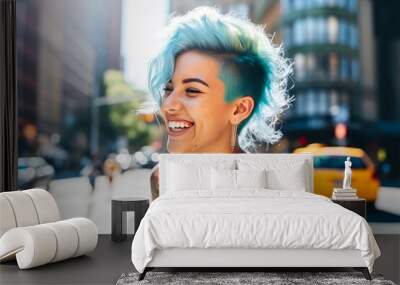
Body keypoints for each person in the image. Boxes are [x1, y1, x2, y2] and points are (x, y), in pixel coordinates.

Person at [147, 7, 292, 201]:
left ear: (240, 109)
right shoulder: (162, 177)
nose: (168, 106)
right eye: (168, 89)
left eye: (192, 91)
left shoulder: (270, 184)